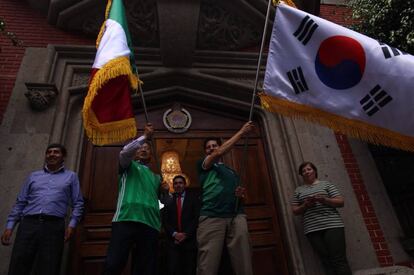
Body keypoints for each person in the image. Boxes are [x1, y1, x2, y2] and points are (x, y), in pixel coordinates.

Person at [0, 143, 84, 275]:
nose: (52, 154)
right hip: (28, 224)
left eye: (56, 152)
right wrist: (10, 226)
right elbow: (20, 202)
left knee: (49, 266)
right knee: (19, 263)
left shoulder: (71, 177)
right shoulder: (33, 176)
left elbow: (78, 203)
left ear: (63, 156)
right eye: (49, 152)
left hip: (54, 226)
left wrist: (71, 226)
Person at [103, 123, 169, 275]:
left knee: (145, 268)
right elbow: (124, 152)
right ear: (135, 151)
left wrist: (166, 193)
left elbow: (164, 205)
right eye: (141, 147)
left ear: (151, 155)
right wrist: (145, 137)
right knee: (114, 264)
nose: (144, 149)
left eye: (147, 148)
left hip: (151, 223)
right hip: (126, 218)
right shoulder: (128, 166)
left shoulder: (157, 177)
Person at [196, 121, 254, 275]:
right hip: (212, 216)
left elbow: (243, 199)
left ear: (219, 145)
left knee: (244, 262)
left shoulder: (231, 171)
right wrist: (241, 132)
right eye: (208, 147)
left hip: (236, 216)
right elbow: (218, 154)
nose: (211, 148)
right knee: (207, 265)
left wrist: (241, 196)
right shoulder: (204, 164)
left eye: (214, 145)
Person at [292, 161, 352, 275]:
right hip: (312, 229)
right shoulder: (298, 190)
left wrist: (325, 200)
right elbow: (295, 211)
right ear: (301, 175)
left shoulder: (326, 184)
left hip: (333, 226)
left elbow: (340, 202)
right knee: (326, 261)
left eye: (309, 169)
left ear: (314, 171)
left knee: (339, 260)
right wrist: (305, 205)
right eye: (303, 171)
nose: (306, 172)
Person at [162, 175, 199, 275]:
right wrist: (175, 234)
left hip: (189, 241)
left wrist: (185, 234)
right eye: (175, 183)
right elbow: (165, 220)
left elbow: (196, 219)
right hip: (172, 242)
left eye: (180, 183)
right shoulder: (168, 200)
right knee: (173, 269)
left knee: (189, 269)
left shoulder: (193, 199)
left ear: (185, 185)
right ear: (173, 186)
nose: (178, 185)